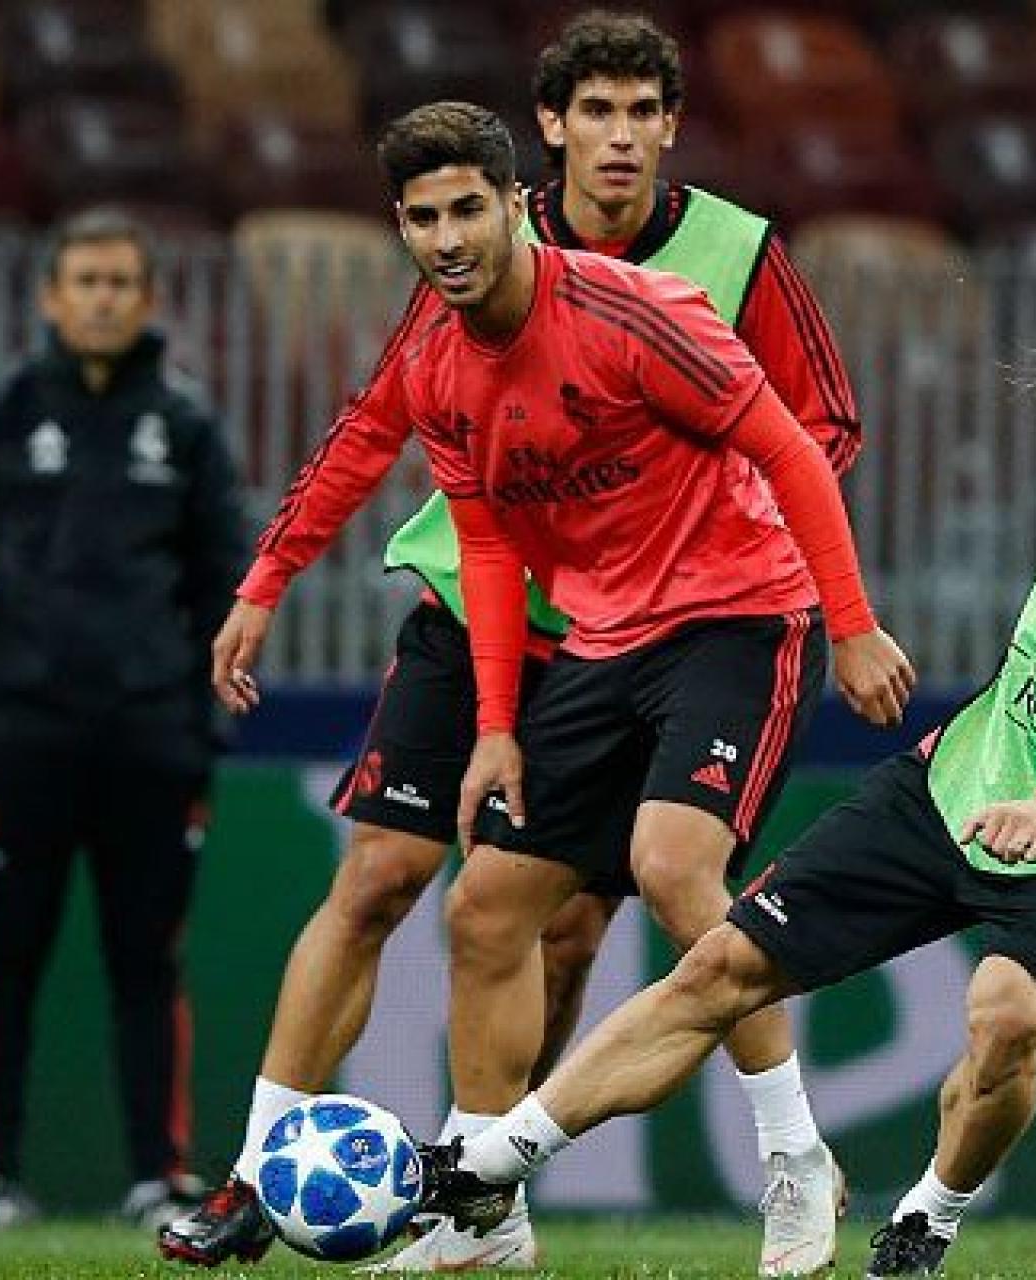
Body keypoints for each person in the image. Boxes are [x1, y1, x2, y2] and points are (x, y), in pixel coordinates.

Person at [409, 310, 1036, 1277]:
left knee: (1006, 1016)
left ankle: (926, 1216)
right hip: (956, 783)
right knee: (722, 965)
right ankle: (488, 1162)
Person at [161, 83, 891, 1275]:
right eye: (419, 219)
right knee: (484, 909)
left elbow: (786, 447)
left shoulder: (637, 311)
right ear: (398, 228)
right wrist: (497, 724)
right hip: (599, 645)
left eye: (465, 210)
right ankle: (484, 1216)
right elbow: (489, 544)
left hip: (739, 617)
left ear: (515, 205)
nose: (445, 240)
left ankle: (796, 1158)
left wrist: (850, 625)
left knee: (670, 867)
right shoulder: (441, 369)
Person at [0, 208, 248, 1228]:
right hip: (17, 735)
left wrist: (201, 723)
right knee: (3, 963)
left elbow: (229, 583)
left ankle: (155, 1175)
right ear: (50, 296)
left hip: (151, 741)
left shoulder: (187, 423)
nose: (104, 297)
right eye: (85, 279)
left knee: (146, 961)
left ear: (149, 297)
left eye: (122, 280)